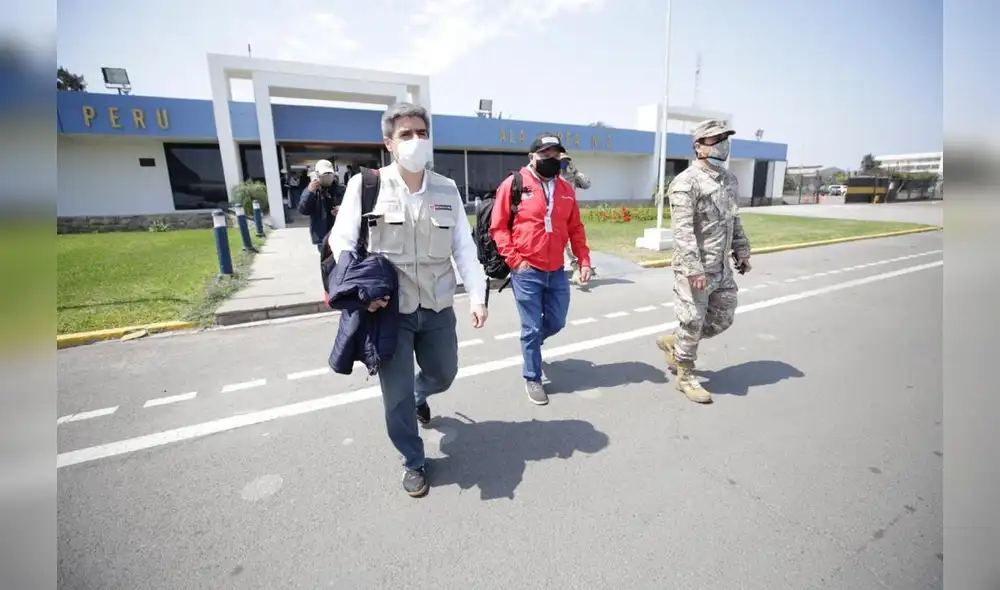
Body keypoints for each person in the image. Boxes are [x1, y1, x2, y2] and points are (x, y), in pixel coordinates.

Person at [328, 102, 488, 498]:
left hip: (437, 305)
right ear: (389, 143)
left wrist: (477, 296)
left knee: (444, 373)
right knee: (395, 397)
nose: (416, 140)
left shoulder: (447, 189)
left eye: (422, 132)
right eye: (406, 134)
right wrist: (361, 292)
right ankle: (413, 460)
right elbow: (342, 242)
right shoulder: (366, 186)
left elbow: (463, 248)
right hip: (389, 313)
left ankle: (422, 393)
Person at [490, 133, 592, 406]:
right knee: (532, 327)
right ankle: (532, 377)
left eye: (555, 155)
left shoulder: (566, 189)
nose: (551, 159)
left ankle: (532, 344)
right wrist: (515, 261)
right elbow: (498, 227)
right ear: (532, 157)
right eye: (545, 154)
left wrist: (583, 260)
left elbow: (575, 228)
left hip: (556, 269)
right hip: (526, 270)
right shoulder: (514, 184)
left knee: (556, 321)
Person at [656, 119, 751, 404]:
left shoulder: (729, 180)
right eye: (715, 139)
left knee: (723, 318)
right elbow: (682, 230)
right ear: (699, 147)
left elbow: (734, 218)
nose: (723, 144)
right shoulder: (686, 182)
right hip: (695, 269)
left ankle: (676, 342)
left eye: (725, 138)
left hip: (721, 267)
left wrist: (742, 250)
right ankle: (685, 375)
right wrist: (693, 269)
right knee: (693, 320)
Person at [298, 159, 344, 254]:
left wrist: (342, 210)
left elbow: (353, 208)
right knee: (326, 260)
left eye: (329, 174)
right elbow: (303, 210)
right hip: (322, 235)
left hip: (341, 233)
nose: (327, 177)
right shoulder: (311, 191)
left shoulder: (342, 189)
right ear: (317, 175)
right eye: (324, 174)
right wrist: (309, 193)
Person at [559, 153, 592, 284]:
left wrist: (575, 171)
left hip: (570, 211)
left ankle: (576, 268)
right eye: (561, 161)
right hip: (556, 212)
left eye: (566, 161)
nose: (564, 164)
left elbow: (587, 184)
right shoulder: (551, 176)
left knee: (572, 240)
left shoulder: (571, 176)